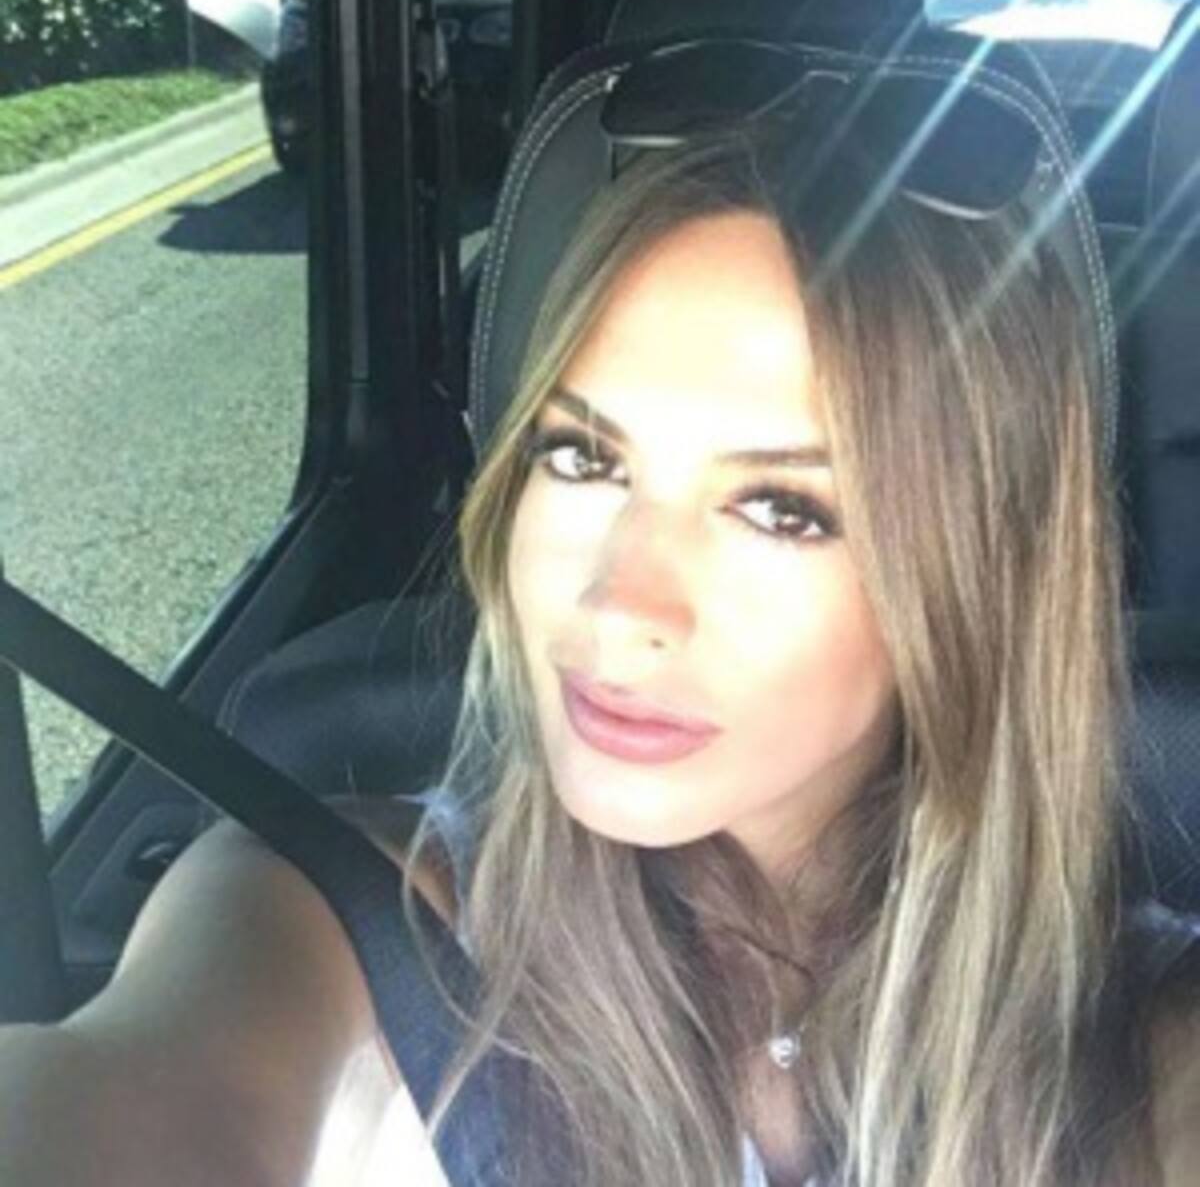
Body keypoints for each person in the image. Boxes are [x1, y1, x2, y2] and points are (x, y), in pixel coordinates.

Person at [2, 115, 1199, 1187]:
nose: (619, 601)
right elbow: (123, 1095)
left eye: (783, 509)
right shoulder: (317, 917)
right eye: (583, 457)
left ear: (976, 580)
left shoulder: (1145, 1040)